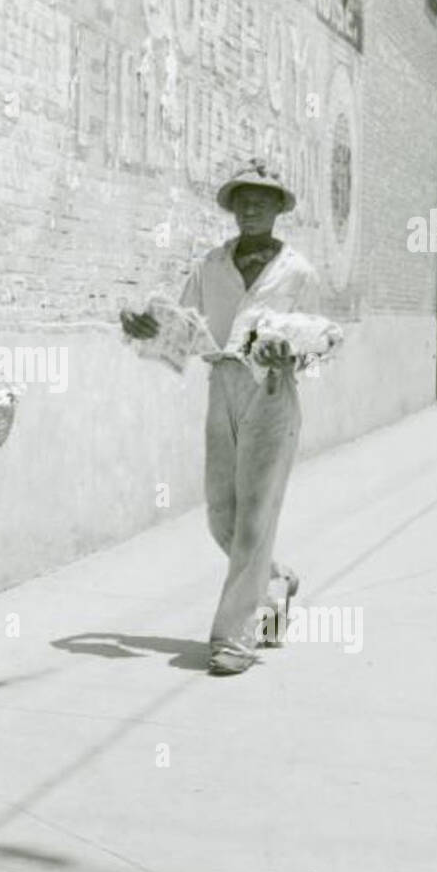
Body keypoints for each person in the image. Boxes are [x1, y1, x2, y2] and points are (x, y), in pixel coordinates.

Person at [121, 161, 322, 676]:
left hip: (272, 391)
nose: (251, 208)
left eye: (263, 199)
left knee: (256, 516)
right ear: (232, 208)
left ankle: (233, 637)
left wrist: (292, 356)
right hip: (222, 386)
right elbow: (181, 328)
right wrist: (143, 325)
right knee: (221, 515)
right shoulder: (210, 265)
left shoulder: (298, 272)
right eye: (243, 199)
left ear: (279, 208)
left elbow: (318, 338)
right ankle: (273, 582)